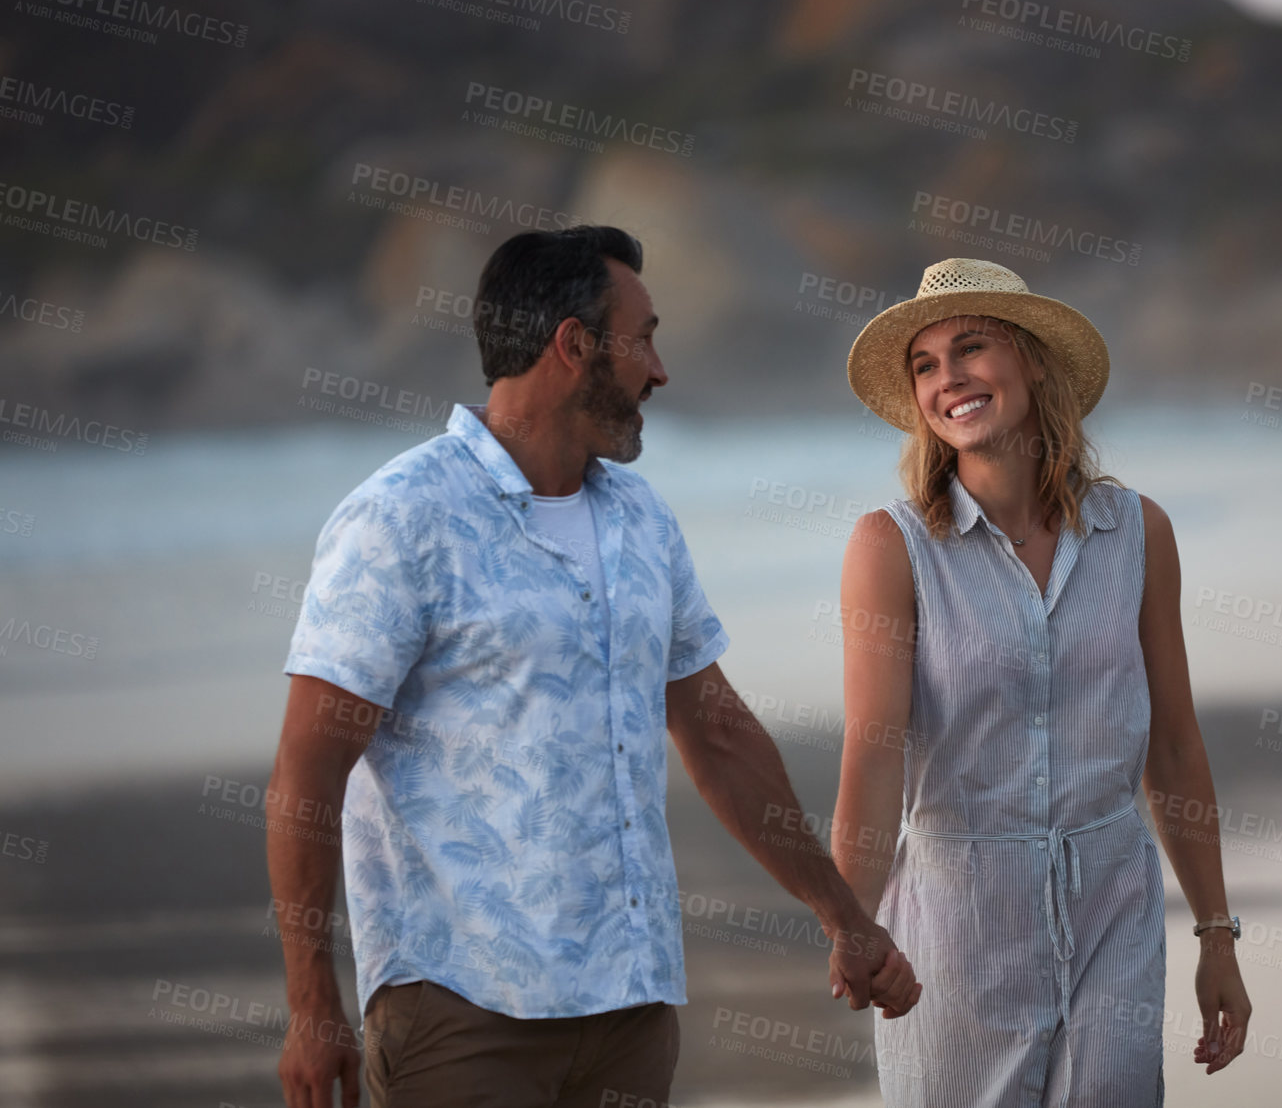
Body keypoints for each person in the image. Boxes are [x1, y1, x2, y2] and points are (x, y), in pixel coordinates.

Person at [266, 225, 918, 1108]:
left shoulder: (641, 519)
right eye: (643, 337)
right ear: (574, 346)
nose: (659, 370)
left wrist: (844, 919)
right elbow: (309, 769)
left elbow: (717, 733)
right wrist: (312, 1005)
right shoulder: (400, 519)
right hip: (463, 1015)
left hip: (631, 1013)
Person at [833, 258, 1251, 1107]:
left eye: (972, 347)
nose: (949, 377)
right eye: (926, 364)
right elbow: (874, 756)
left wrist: (1216, 936)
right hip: (958, 927)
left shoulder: (1136, 532)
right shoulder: (893, 547)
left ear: (1030, 362)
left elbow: (1171, 744)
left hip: (1114, 911)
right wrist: (852, 925)